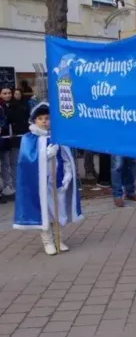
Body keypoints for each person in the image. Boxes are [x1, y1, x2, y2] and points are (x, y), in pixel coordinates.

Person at [13, 102, 83, 255]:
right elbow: (27, 161)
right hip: (40, 184)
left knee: (58, 211)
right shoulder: (29, 139)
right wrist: (45, 154)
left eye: (47, 118)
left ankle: (58, 239)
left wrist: (68, 175)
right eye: (40, 119)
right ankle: (48, 241)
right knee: (44, 211)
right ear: (34, 120)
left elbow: (67, 159)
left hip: (57, 182)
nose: (44, 121)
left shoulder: (58, 137)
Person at [0, 86, 15, 198]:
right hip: (2, 140)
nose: (8, 95)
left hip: (5, 142)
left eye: (9, 93)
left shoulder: (7, 106)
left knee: (6, 165)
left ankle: (7, 189)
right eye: (5, 93)